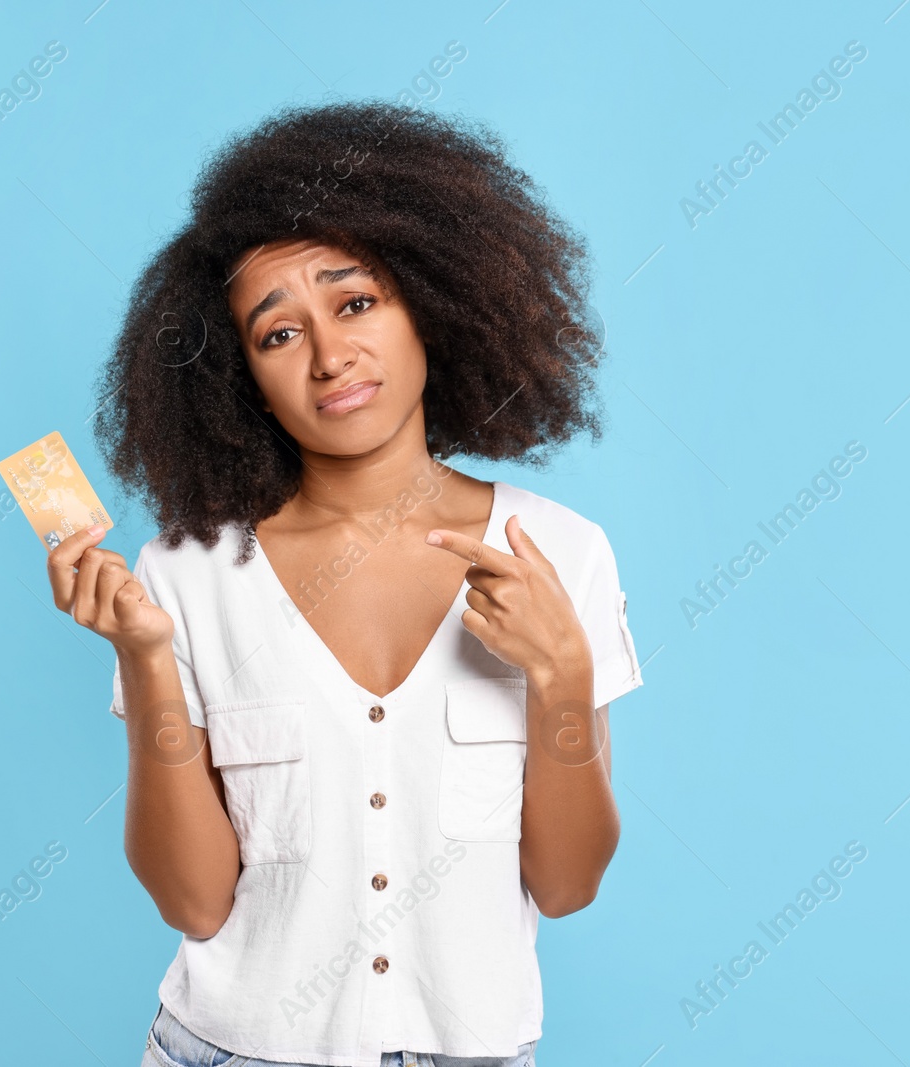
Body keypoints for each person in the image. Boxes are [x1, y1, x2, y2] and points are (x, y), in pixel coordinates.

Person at [44, 100, 643, 1067]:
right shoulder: (184, 576)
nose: (330, 356)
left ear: (432, 304)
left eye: (356, 302)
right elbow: (192, 901)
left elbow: (568, 883)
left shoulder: (559, 551)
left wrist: (561, 672)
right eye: (278, 334)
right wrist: (146, 656)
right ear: (240, 376)